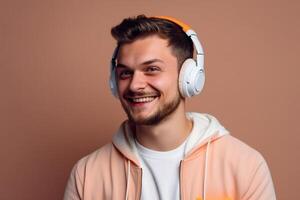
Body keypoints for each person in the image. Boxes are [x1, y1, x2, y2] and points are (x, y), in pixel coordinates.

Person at [63, 15, 276, 200]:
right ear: (113, 81)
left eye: (152, 69)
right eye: (125, 73)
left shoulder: (244, 166)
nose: (135, 85)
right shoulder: (87, 175)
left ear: (188, 78)